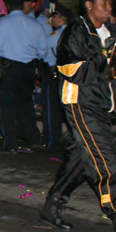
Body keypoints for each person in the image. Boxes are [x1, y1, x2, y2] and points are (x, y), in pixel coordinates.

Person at [37, 0, 116, 232]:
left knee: (80, 158)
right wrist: (105, 56)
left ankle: (51, 208)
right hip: (81, 104)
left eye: (111, 3)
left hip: (103, 106)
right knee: (106, 161)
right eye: (104, 2)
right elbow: (69, 68)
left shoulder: (115, 34)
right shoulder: (76, 31)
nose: (109, 8)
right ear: (89, 5)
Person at [0, 0, 48, 152]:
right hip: (28, 69)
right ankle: (34, 140)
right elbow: (43, 50)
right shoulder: (34, 24)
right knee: (27, 105)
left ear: (7, 5)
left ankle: (10, 144)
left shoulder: (1, 23)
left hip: (8, 69)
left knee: (7, 108)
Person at [39, 8, 68, 148]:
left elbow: (41, 51)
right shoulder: (72, 33)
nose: (52, 20)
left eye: (55, 17)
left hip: (53, 73)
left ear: (61, 19)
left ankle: (50, 139)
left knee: (50, 108)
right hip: (67, 74)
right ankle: (57, 137)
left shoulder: (54, 35)